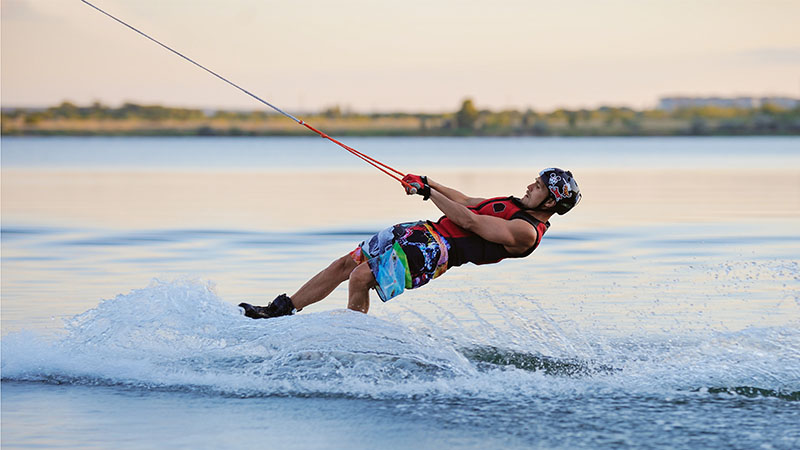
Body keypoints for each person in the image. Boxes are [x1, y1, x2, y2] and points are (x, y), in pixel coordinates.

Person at [239, 168, 581, 319]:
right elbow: (469, 201)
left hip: (437, 250)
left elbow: (469, 221)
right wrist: (427, 181)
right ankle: (280, 311)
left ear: (550, 202)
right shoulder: (517, 205)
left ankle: (353, 339)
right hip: (423, 230)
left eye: (537, 186)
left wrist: (428, 193)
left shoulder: (526, 232)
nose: (529, 186)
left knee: (361, 277)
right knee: (346, 264)